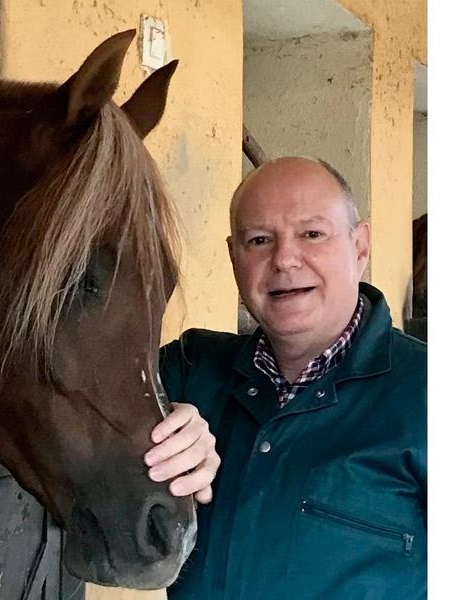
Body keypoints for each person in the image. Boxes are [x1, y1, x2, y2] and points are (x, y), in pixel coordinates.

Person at [145, 156, 427, 599]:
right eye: (258, 240)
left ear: (360, 247)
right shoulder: (191, 370)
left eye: (312, 234)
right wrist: (158, 417)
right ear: (233, 258)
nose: (284, 259)